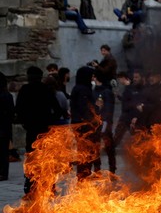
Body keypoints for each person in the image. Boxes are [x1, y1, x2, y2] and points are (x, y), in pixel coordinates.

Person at [15, 66, 63, 194]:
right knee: (47, 158)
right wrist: (50, 121)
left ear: (28, 76)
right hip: (45, 130)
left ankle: (30, 186)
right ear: (41, 76)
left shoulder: (25, 90)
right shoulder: (46, 90)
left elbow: (18, 110)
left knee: (32, 158)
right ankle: (50, 186)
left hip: (31, 130)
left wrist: (25, 122)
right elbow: (58, 110)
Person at [69, 65, 100, 179]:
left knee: (86, 152)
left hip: (81, 125)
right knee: (85, 152)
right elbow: (84, 108)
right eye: (91, 76)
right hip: (84, 126)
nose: (92, 78)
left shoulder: (79, 88)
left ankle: (84, 175)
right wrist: (95, 113)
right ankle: (83, 176)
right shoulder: (82, 90)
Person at [93, 71, 116, 173]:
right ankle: (97, 170)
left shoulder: (107, 92)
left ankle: (112, 170)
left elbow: (109, 109)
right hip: (95, 124)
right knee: (95, 147)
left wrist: (105, 123)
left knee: (109, 147)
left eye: (94, 76)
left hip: (105, 123)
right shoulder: (93, 91)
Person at [0, 72, 15, 181]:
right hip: (5, 127)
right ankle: (3, 173)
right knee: (4, 151)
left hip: (3, 126)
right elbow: (11, 112)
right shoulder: (8, 96)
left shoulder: (5, 96)